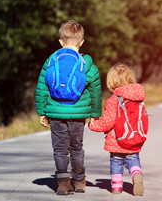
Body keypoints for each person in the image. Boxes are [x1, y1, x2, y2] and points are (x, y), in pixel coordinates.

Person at [35, 20, 102, 195]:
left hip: (56, 113)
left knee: (60, 149)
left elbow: (42, 86)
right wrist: (95, 114)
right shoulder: (87, 65)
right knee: (76, 148)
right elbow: (95, 91)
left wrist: (42, 111)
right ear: (81, 43)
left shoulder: (51, 61)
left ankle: (63, 183)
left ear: (60, 41)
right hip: (78, 115)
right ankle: (79, 181)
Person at [88, 64, 146, 196]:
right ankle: (136, 173)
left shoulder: (114, 99)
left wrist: (93, 125)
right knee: (133, 159)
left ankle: (116, 188)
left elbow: (107, 122)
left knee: (116, 161)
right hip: (134, 137)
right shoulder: (139, 98)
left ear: (112, 81)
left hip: (117, 139)